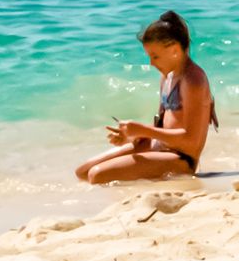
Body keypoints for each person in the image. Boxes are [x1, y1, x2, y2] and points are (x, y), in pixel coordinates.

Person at [76, 10, 216, 184]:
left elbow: (191, 141)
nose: (151, 63)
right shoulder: (167, 77)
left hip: (180, 159)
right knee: (82, 172)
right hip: (157, 146)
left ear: (174, 50)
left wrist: (143, 130)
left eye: (155, 56)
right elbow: (162, 126)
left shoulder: (193, 80)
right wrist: (133, 135)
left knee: (96, 175)